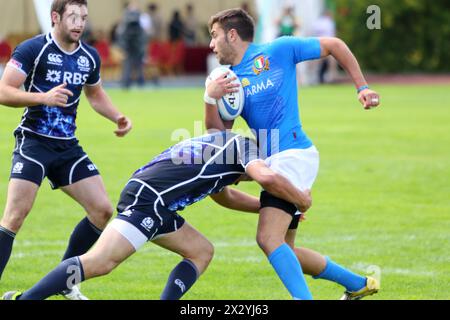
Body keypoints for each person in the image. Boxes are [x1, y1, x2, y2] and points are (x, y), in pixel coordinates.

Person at [1, 131, 313, 300]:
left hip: (159, 201)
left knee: (201, 251)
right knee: (100, 262)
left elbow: (225, 196)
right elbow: (266, 178)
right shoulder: (248, 148)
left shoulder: (225, 145)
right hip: (150, 200)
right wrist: (298, 199)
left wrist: (265, 207)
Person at [204, 8, 381, 300]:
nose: (211, 44)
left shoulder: (280, 49)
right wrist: (211, 96)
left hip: (293, 156)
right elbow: (218, 136)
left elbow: (334, 45)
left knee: (267, 238)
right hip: (273, 162)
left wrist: (362, 87)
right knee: (285, 250)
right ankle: (357, 283)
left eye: (214, 36)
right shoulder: (229, 79)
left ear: (232, 35)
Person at [0, 0, 132, 300]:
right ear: (55, 17)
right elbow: (4, 91)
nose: (79, 23)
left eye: (84, 17)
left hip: (67, 147)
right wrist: (43, 98)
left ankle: (65, 281)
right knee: (15, 215)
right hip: (33, 141)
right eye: (73, 17)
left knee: (102, 210)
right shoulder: (33, 49)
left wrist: (117, 116)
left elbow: (95, 94)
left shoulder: (89, 56)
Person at [118, 1, 147, 88]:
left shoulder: (128, 26)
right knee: (129, 66)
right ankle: (128, 83)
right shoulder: (125, 26)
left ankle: (137, 82)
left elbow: (142, 38)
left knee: (136, 66)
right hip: (130, 48)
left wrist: (142, 48)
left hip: (136, 48)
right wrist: (123, 48)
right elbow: (122, 37)